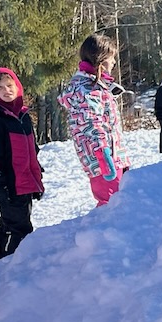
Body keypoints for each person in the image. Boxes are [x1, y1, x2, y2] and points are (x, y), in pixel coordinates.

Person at [0, 68, 45, 261]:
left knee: (11, 223)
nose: (7, 90)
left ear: (17, 86)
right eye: (0, 88)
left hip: (25, 182)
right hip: (9, 184)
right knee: (19, 228)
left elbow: (32, 151)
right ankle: (10, 262)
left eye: (9, 85)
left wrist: (36, 177)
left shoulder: (23, 116)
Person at [59, 33, 131, 207]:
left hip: (114, 155)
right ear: (101, 59)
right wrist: (103, 155)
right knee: (111, 204)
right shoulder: (85, 89)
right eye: (111, 57)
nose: (114, 62)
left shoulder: (98, 85)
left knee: (121, 201)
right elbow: (91, 124)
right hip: (103, 160)